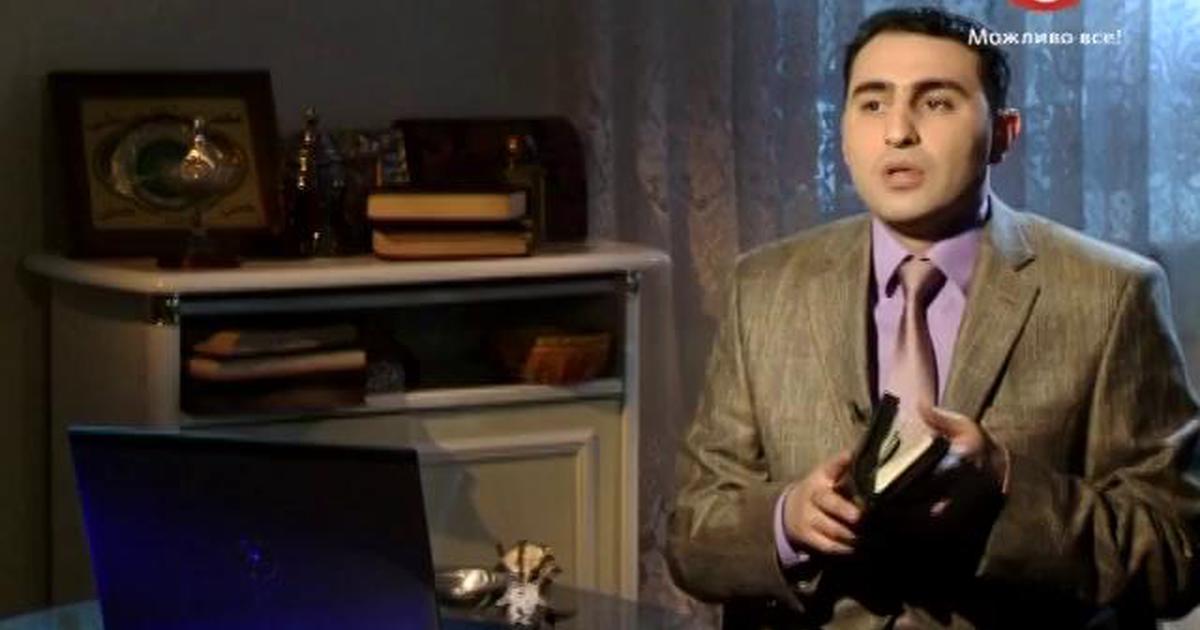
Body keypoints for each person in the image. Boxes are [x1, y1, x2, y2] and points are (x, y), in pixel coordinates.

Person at [667, 7, 1200, 629]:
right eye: (872, 104)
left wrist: (1004, 484)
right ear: (843, 134)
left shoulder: (1113, 293)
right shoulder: (762, 287)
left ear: (1004, 133)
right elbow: (692, 536)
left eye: (937, 102)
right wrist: (786, 520)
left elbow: (1176, 553)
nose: (898, 132)